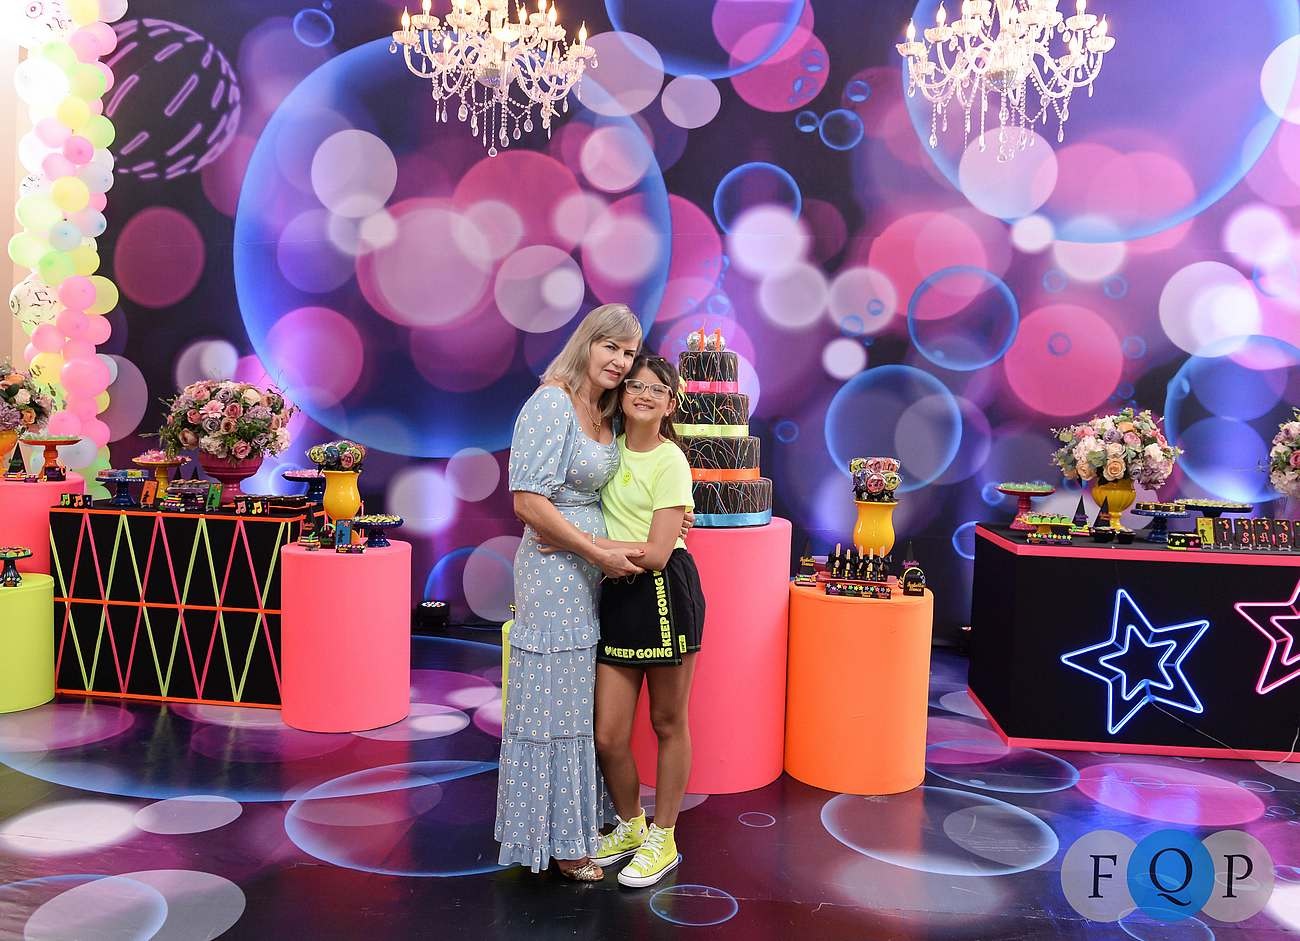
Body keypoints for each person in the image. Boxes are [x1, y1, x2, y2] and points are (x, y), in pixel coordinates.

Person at [495, 303, 647, 881]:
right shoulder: (551, 403)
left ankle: (576, 825)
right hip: (554, 569)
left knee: (578, 702)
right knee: (554, 701)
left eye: (629, 353)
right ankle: (558, 842)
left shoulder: (605, 411)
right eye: (611, 347)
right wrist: (594, 550)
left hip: (588, 570)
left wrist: (664, 520)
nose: (620, 361)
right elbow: (527, 502)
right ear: (586, 343)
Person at [586, 353, 706, 888]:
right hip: (617, 592)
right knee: (609, 734)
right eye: (635, 385)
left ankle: (665, 837)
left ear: (670, 404)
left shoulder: (670, 460)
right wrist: (597, 547)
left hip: (663, 594)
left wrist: (585, 544)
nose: (643, 395)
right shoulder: (605, 450)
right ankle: (632, 825)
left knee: (667, 722)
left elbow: (657, 554)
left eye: (657, 389)